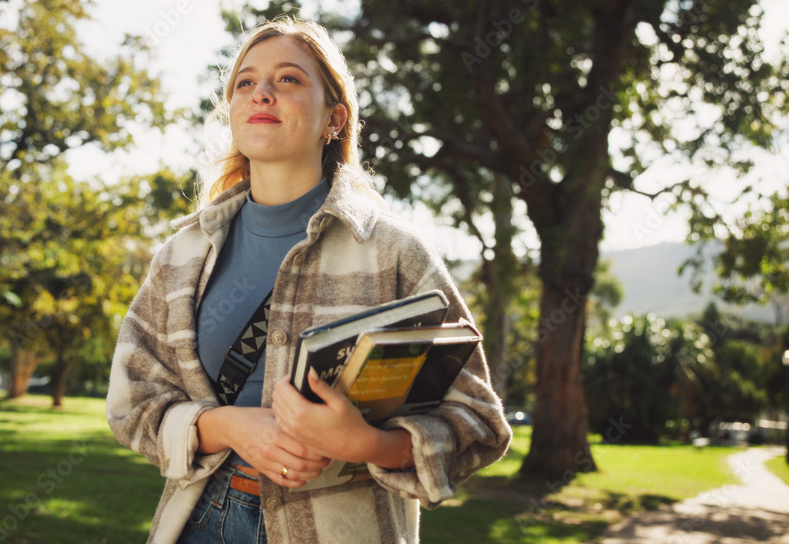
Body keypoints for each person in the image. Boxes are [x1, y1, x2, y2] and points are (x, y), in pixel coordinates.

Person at [106, 16, 512, 544]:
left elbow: (477, 420)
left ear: (334, 119)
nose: (262, 94)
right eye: (245, 83)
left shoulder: (393, 252)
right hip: (201, 520)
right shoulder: (183, 254)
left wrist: (366, 443)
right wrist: (225, 425)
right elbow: (131, 401)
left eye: (289, 80)